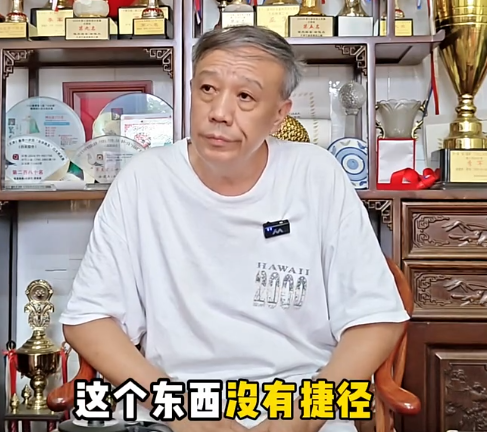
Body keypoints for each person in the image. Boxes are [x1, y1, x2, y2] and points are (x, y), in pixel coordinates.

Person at [60, 25, 409, 432]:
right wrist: (183, 413)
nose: (219, 112)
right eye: (208, 89)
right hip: (174, 403)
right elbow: (88, 319)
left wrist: (300, 420)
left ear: (279, 114)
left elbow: (376, 318)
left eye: (245, 96)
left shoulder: (316, 174)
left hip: (300, 402)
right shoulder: (144, 180)